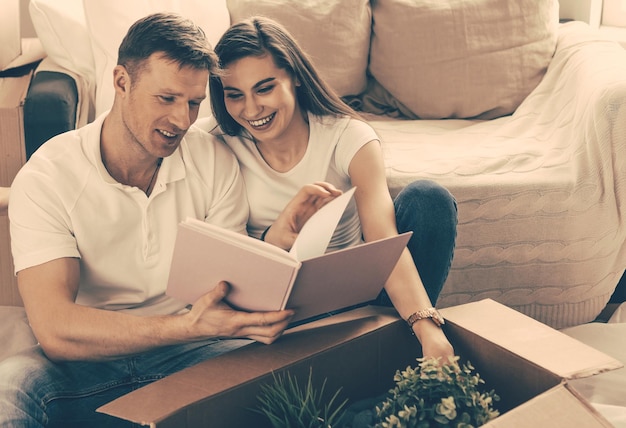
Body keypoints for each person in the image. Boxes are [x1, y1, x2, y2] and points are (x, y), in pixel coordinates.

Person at [0, 12, 336, 426]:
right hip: (89, 358)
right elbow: (56, 329)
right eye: (166, 98)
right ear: (122, 82)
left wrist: (277, 251)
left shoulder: (213, 160)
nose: (182, 120)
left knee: (302, 386)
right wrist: (186, 327)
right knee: (8, 389)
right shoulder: (47, 176)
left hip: (196, 352)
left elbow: (228, 286)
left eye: (194, 103)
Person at [207, 16, 458, 360]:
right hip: (277, 312)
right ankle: (381, 357)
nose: (251, 110)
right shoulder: (216, 145)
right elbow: (223, 261)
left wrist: (427, 327)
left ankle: (405, 343)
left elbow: (384, 240)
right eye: (235, 95)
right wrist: (277, 237)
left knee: (429, 199)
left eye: (264, 88)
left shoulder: (347, 136)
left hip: (358, 302)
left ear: (293, 76)